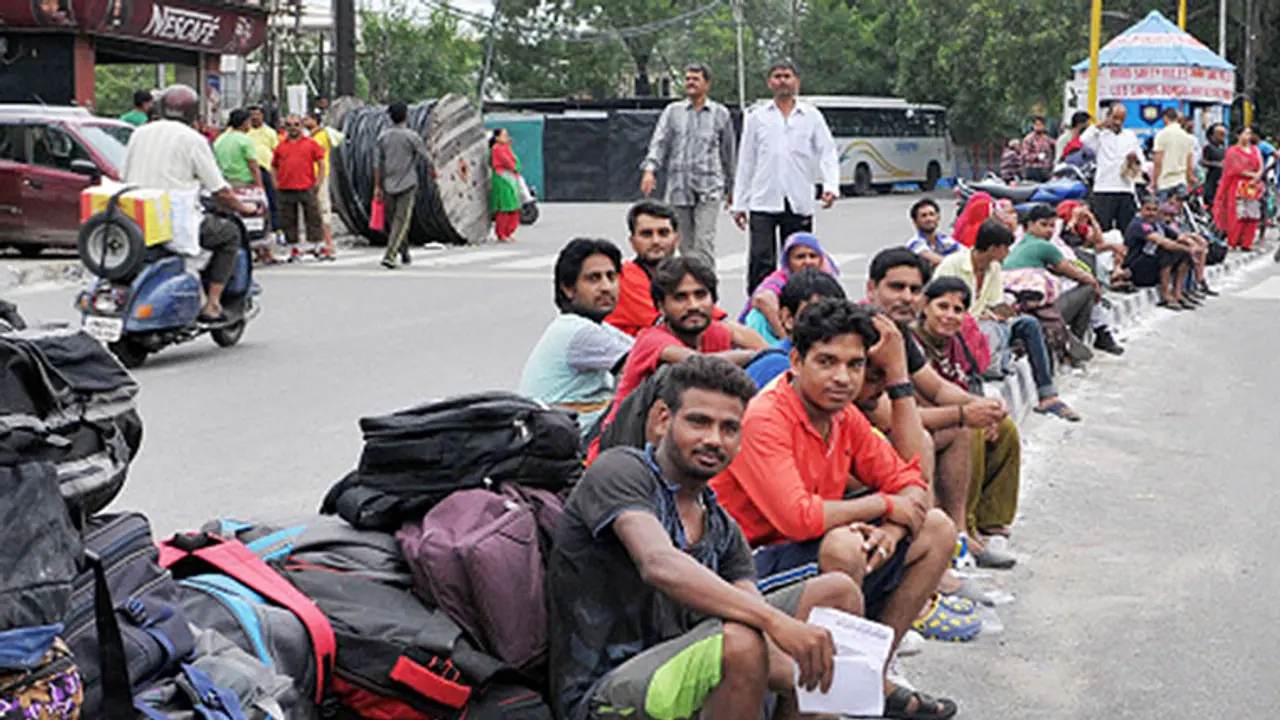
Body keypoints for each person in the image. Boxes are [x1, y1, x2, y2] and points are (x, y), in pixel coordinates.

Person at [548, 355, 863, 720]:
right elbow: (659, 564)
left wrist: (830, 676)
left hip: (686, 666)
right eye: (699, 422)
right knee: (740, 643)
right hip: (607, 691)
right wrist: (778, 626)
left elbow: (752, 613)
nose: (713, 439)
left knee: (834, 593)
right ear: (664, 419)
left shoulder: (721, 527)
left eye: (729, 428)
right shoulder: (620, 471)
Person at [710, 299, 961, 719]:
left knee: (935, 528)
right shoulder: (766, 417)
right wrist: (884, 505)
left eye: (855, 365)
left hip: (803, 549)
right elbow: (798, 517)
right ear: (795, 360)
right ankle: (826, 700)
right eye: (827, 362)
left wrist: (893, 529)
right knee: (844, 546)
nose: (842, 377)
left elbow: (913, 479)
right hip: (747, 571)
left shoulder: (843, 415)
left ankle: (871, 672)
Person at [121, 84, 261, 322]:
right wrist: (245, 208)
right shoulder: (192, 139)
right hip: (176, 222)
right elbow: (220, 190)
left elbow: (122, 174)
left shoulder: (139, 133)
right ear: (193, 113)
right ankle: (213, 304)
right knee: (229, 235)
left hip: (137, 219)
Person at [906, 279, 1020, 567]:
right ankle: (962, 526)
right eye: (942, 306)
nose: (949, 315)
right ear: (925, 307)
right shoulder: (912, 343)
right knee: (970, 430)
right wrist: (969, 413)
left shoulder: (956, 343)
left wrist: (986, 408)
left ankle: (992, 518)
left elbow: (963, 385)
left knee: (1004, 427)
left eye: (958, 309)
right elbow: (922, 399)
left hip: (946, 412)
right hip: (923, 419)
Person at [600, 256, 759, 438]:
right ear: (661, 307)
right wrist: (754, 355)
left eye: (700, 295)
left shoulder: (716, 333)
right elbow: (699, 363)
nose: (693, 305)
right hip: (625, 440)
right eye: (680, 298)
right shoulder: (651, 339)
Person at [933, 222, 1077, 421]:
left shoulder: (993, 268)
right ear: (993, 249)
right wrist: (987, 316)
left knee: (1029, 324)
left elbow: (995, 304)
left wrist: (1003, 312)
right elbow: (940, 307)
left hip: (985, 324)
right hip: (958, 326)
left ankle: (1047, 395)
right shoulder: (953, 265)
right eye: (1005, 248)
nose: (1008, 252)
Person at [732, 61, 839, 296]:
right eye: (777, 76)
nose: (782, 81)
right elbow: (746, 162)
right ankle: (758, 304)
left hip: (798, 199)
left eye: (787, 76)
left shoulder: (811, 116)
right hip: (763, 199)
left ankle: (799, 302)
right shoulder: (757, 117)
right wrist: (739, 203)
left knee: (801, 257)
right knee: (761, 258)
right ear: (770, 82)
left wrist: (831, 186)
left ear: (797, 82)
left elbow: (827, 152)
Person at [520, 238, 634, 439]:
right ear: (568, 288)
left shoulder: (598, 327)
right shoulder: (577, 332)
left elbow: (644, 348)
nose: (606, 287)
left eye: (611, 277)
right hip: (565, 444)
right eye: (593, 279)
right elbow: (645, 363)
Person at [603, 201, 759, 347]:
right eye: (647, 234)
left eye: (663, 233)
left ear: (676, 239)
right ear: (632, 242)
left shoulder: (683, 273)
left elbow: (722, 322)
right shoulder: (624, 277)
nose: (656, 241)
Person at [640, 63, 737, 269]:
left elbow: (728, 153)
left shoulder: (720, 113)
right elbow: (660, 142)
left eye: (695, 79)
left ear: (707, 84)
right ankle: (687, 287)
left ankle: (706, 290)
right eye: (688, 79)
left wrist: (733, 188)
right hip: (679, 187)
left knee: (704, 242)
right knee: (684, 245)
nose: (690, 83)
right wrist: (650, 170)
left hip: (709, 188)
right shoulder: (673, 112)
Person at [1004, 203, 1101, 365]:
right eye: (1043, 225)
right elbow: (1076, 273)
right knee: (1088, 290)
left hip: (1019, 309)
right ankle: (1072, 350)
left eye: (1052, 226)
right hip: (1035, 310)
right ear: (1029, 225)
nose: (1049, 230)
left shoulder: (1017, 245)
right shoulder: (1044, 246)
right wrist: (1095, 284)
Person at [743, 268, 847, 389]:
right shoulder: (778, 365)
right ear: (787, 318)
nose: (826, 324)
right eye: (814, 316)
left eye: (834, 315)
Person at [740, 232, 837, 344]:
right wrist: (785, 339)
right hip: (776, 338)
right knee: (757, 317)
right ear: (788, 261)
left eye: (813, 256)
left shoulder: (826, 280)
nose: (808, 262)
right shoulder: (780, 280)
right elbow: (762, 299)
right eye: (800, 257)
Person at [374, 101, 430, 269]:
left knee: (396, 221)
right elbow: (426, 156)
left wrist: (377, 186)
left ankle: (390, 254)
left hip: (389, 183)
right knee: (399, 221)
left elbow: (377, 165)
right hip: (407, 183)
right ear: (406, 115)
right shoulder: (412, 136)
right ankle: (402, 250)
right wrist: (434, 171)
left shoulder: (382, 137)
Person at [271, 114, 329, 260]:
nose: (293, 128)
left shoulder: (311, 143)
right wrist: (275, 183)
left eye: (296, 124)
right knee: (288, 219)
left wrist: (318, 182)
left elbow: (321, 163)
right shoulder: (281, 146)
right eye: (289, 125)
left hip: (307, 185)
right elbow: (274, 166)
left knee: (313, 216)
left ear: (301, 126)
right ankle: (294, 249)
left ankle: (318, 246)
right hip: (285, 187)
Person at [1123, 196, 1195, 309]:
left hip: (1151, 266)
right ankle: (1166, 296)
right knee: (1166, 251)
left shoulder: (1158, 224)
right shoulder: (1139, 224)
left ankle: (1178, 293)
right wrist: (1189, 248)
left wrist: (1190, 244)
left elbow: (1179, 235)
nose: (1151, 213)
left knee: (1185, 254)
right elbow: (1163, 242)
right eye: (1148, 209)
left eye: (1154, 210)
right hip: (1137, 269)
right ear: (1141, 210)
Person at [1082, 104, 1144, 232]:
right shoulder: (1100, 135)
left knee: (1126, 229)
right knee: (1102, 228)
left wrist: (1134, 159)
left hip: (1125, 188)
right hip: (1104, 188)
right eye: (1115, 118)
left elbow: (1141, 159)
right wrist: (1101, 125)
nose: (1118, 122)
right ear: (1108, 117)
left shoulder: (1130, 136)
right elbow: (1084, 140)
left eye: (1122, 119)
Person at [1214, 126, 1265, 251]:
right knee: (1238, 213)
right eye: (1245, 133)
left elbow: (1261, 166)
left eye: (1249, 134)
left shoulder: (1254, 150)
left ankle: (1247, 242)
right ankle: (1234, 240)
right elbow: (1234, 169)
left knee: (1252, 214)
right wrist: (1252, 175)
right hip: (1237, 184)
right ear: (1238, 135)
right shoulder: (1232, 151)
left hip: (1253, 186)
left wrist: (1257, 177)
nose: (1248, 136)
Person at [303, 110, 342, 251]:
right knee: (312, 210)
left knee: (323, 208)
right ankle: (317, 242)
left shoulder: (325, 134)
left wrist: (323, 130)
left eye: (307, 119)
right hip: (306, 176)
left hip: (320, 175)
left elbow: (340, 139)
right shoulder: (304, 137)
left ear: (315, 120)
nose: (304, 122)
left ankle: (328, 243)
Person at [247, 105, 282, 243]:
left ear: (262, 116)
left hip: (267, 170)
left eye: (257, 114)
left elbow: (277, 151)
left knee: (272, 200)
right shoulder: (246, 132)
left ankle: (276, 229)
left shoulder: (270, 133)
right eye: (252, 115)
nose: (255, 117)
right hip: (249, 173)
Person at [1152, 108, 1197, 202]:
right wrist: (1189, 181)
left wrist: (1154, 182)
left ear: (1165, 118)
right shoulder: (1187, 137)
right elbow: (1189, 164)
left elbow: (1158, 161)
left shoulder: (1161, 135)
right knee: (1178, 213)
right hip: (1181, 181)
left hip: (1164, 182)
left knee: (1162, 213)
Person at [213, 109, 262, 190]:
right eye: (249, 121)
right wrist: (259, 187)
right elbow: (253, 166)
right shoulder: (245, 140)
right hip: (243, 183)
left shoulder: (220, 138)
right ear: (244, 122)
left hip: (224, 182)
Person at [906, 198, 962, 267]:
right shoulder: (915, 243)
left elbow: (965, 255)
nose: (929, 219)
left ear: (938, 218)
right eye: (924, 216)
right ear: (915, 222)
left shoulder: (945, 240)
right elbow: (936, 260)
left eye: (931, 214)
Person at [490, 128, 523, 243]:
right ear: (497, 138)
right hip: (502, 179)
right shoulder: (497, 149)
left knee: (514, 206)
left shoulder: (506, 148)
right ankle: (502, 233)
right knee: (505, 207)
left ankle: (508, 232)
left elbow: (516, 161)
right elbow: (508, 162)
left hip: (511, 178)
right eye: (504, 135)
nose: (507, 137)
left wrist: (517, 167)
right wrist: (515, 167)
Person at [1201, 123, 1227, 215]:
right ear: (1213, 136)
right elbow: (1203, 162)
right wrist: (1216, 164)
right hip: (1212, 182)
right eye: (1221, 134)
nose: (1224, 136)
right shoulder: (1209, 147)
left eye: (1224, 134)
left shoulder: (1224, 148)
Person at [1020, 116, 1055, 182]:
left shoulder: (1048, 140)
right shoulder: (1028, 139)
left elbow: (1054, 152)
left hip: (1045, 171)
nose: (1038, 126)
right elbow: (1025, 156)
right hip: (1032, 170)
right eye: (1036, 124)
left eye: (1040, 125)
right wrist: (1037, 157)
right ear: (1033, 126)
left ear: (1044, 126)